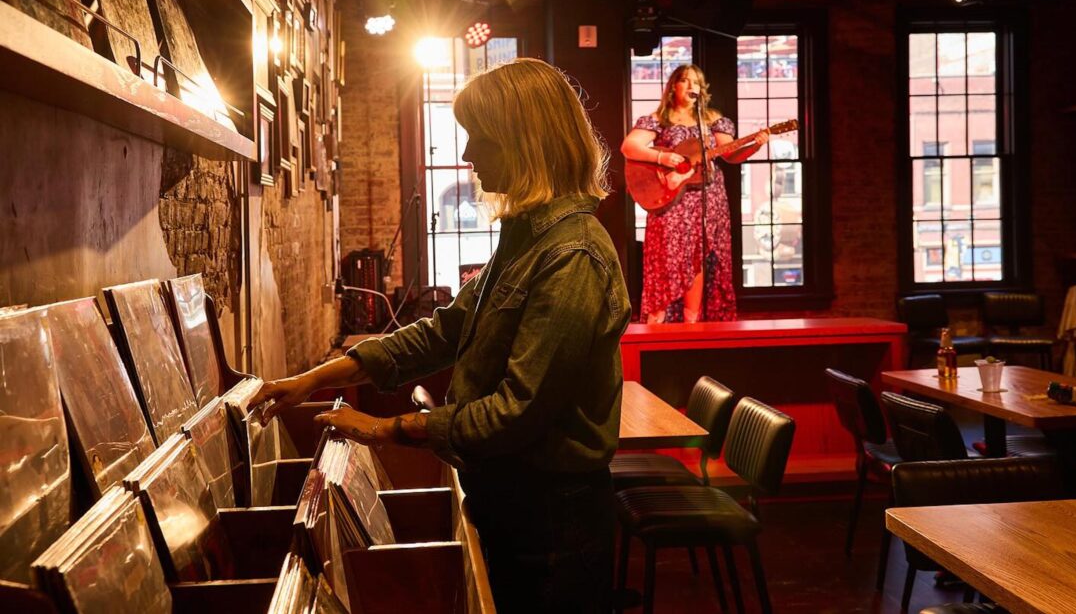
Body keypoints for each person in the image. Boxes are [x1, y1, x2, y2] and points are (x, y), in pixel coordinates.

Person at [248, 58, 630, 613]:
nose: (470, 153)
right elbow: (440, 333)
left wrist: (388, 427)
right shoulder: (527, 239)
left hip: (552, 520)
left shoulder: (571, 254)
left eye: (480, 137)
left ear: (522, 141)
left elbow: (518, 411)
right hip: (518, 506)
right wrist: (310, 380)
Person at [621, 64, 768, 323]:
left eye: (696, 83)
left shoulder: (712, 121)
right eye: (685, 81)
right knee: (667, 258)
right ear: (673, 87)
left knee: (699, 258)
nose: (691, 87)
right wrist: (663, 157)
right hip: (670, 200)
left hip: (707, 198)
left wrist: (753, 146)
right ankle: (658, 327)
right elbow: (629, 146)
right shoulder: (659, 119)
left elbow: (730, 154)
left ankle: (692, 326)